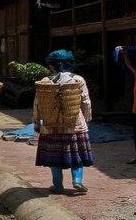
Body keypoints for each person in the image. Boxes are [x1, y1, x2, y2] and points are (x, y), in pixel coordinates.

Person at [32, 50, 94, 194]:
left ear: (52, 66)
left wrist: (36, 123)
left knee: (55, 158)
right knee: (77, 154)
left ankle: (58, 185)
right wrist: (86, 120)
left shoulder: (44, 81)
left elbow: (37, 104)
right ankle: (77, 181)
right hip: (75, 124)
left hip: (51, 125)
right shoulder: (78, 79)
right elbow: (85, 102)